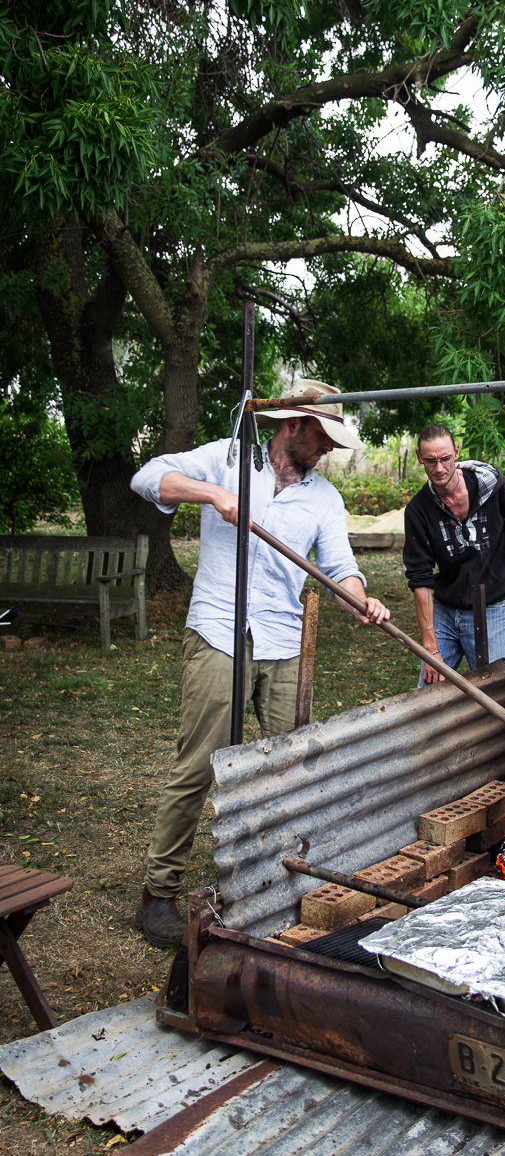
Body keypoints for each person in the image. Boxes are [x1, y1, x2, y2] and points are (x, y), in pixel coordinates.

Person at [130, 379, 389, 948]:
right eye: (322, 437)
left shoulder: (324, 498)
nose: (327, 451)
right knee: (200, 765)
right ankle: (159, 892)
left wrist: (359, 596)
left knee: (291, 768)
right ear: (291, 424)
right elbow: (147, 477)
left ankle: (272, 885)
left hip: (282, 638)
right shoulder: (225, 460)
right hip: (220, 629)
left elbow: (340, 565)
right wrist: (213, 496)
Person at [403, 423, 505, 684]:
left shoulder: (491, 486)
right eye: (431, 461)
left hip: (494, 604)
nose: (439, 468)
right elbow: (419, 576)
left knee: (493, 693)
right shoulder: (418, 510)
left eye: (445, 458)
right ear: (419, 458)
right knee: (427, 693)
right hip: (445, 609)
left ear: (456, 451)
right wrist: (430, 645)